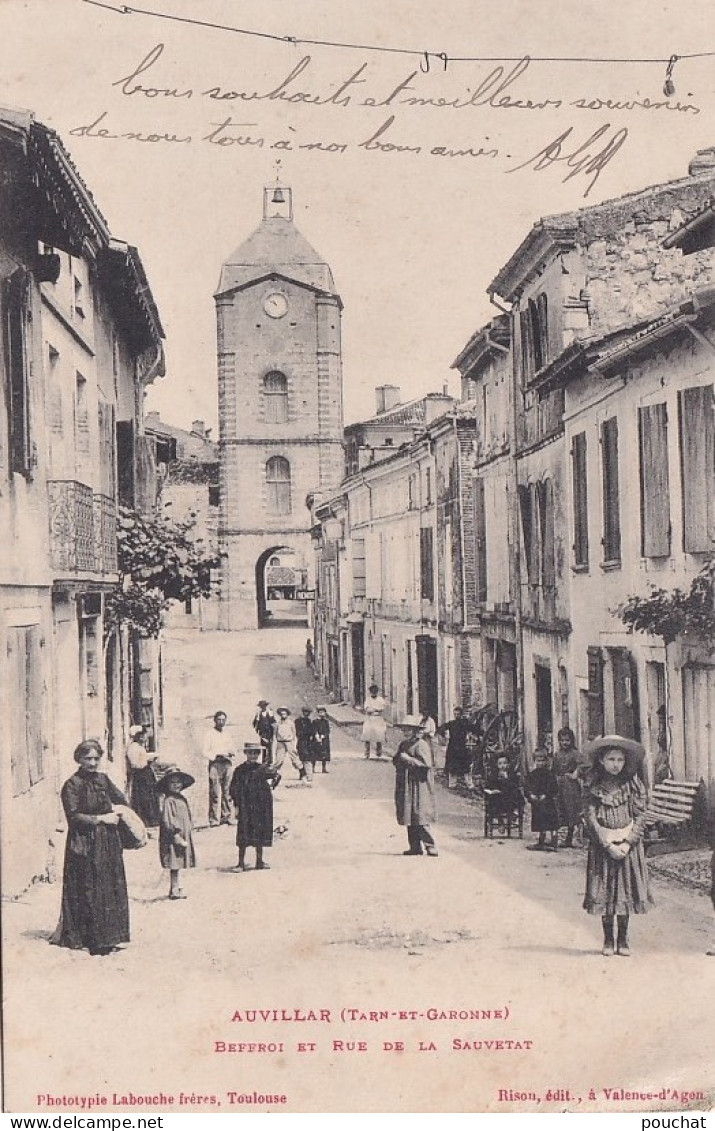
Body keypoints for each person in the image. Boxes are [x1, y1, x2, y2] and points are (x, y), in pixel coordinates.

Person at [51, 739, 130, 956]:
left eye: (96, 758)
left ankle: (111, 937)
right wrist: (102, 819)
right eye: (88, 758)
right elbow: (74, 816)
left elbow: (121, 799)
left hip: (107, 842)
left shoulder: (103, 779)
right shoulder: (72, 784)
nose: (93, 763)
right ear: (79, 759)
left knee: (109, 885)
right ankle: (91, 939)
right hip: (84, 842)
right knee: (89, 887)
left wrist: (121, 811)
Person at [581, 735, 653, 956]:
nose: (616, 764)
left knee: (625, 890)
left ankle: (623, 939)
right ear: (602, 761)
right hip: (604, 846)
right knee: (606, 890)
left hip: (627, 846)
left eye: (620, 760)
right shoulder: (594, 784)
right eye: (611, 759)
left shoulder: (632, 783)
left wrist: (629, 842)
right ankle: (607, 939)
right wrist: (606, 844)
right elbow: (590, 818)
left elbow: (641, 816)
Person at [229, 742, 280, 870]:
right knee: (244, 832)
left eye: (256, 753)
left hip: (260, 805)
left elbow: (277, 775)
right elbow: (233, 788)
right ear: (245, 753)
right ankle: (241, 863)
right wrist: (236, 805)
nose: (253, 755)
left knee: (260, 831)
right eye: (250, 753)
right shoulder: (240, 770)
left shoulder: (262, 768)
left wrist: (272, 784)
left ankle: (259, 861)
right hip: (245, 805)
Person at [393, 715, 438, 857]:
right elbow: (396, 759)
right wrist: (399, 760)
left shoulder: (421, 745)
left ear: (414, 731)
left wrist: (409, 759)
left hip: (419, 784)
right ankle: (414, 846)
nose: (405, 732)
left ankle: (430, 845)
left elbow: (426, 765)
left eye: (408, 729)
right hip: (406, 784)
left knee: (420, 814)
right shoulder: (404, 744)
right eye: (404, 729)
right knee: (408, 814)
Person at [157, 766, 196, 900]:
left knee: (179, 862)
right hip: (173, 836)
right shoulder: (169, 801)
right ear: (167, 785)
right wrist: (175, 834)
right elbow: (168, 820)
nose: (176, 785)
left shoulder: (181, 799)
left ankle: (175, 887)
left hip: (183, 834)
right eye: (172, 783)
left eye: (178, 782)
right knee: (174, 862)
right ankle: (174, 889)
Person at [202, 710, 235, 826]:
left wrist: (231, 753)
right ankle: (214, 819)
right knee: (215, 792)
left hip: (227, 763)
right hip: (215, 765)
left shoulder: (228, 734)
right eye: (219, 719)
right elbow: (204, 751)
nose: (221, 722)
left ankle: (226, 816)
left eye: (223, 720)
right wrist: (216, 755)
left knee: (228, 791)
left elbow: (233, 748)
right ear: (215, 720)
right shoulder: (209, 734)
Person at [125, 725, 161, 831]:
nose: (146, 737)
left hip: (145, 773)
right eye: (145, 735)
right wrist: (146, 761)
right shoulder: (133, 747)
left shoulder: (139, 747)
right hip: (141, 775)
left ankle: (152, 820)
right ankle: (146, 820)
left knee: (150, 795)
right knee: (143, 797)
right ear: (139, 736)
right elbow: (135, 764)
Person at [552, 727, 583, 847]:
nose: (565, 743)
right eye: (562, 740)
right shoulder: (557, 754)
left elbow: (584, 764)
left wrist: (576, 773)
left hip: (570, 786)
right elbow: (553, 769)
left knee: (571, 810)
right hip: (559, 784)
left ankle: (571, 838)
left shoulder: (575, 753)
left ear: (572, 740)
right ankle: (559, 838)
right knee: (560, 809)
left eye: (567, 740)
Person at [525, 749, 560, 851]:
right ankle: (541, 840)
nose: (540, 763)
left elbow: (553, 787)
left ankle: (554, 841)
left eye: (542, 760)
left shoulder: (549, 774)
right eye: (538, 760)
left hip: (547, 802)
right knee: (540, 821)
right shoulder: (532, 774)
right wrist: (531, 795)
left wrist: (546, 795)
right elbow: (527, 786)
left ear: (546, 761)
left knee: (551, 821)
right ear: (534, 761)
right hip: (537, 802)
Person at [437, 707, 477, 789]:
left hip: (461, 747)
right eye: (455, 714)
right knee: (452, 766)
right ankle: (452, 784)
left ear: (461, 714)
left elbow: (474, 729)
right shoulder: (452, 723)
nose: (456, 716)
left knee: (466, 766)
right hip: (453, 747)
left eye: (458, 714)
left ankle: (469, 784)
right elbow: (441, 728)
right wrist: (442, 736)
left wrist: (477, 735)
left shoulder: (465, 723)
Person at [484, 754, 524, 830]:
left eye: (505, 763)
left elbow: (514, 785)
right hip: (498, 799)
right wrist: (493, 790)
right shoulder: (493, 775)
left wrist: (506, 778)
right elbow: (489, 786)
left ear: (508, 764)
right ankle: (500, 822)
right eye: (500, 763)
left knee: (515, 793)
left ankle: (513, 814)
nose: (503, 766)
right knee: (494, 799)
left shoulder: (512, 774)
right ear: (497, 765)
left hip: (509, 798)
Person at [272, 707, 306, 780]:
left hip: (289, 742)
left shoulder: (291, 723)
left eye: (285, 714)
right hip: (280, 743)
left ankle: (302, 773)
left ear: (287, 714)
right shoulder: (278, 724)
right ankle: (273, 775)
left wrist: (293, 742)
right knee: (279, 759)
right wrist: (275, 743)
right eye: (282, 714)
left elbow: (294, 733)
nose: (283, 715)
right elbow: (275, 734)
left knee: (294, 758)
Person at [362, 684, 388, 759]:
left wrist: (374, 709)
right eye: (372, 691)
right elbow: (367, 709)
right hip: (369, 719)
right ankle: (367, 753)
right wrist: (375, 709)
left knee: (379, 736)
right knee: (367, 736)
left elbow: (381, 709)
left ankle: (379, 752)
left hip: (378, 719)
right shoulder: (368, 699)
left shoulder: (380, 699)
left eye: (375, 691)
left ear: (377, 692)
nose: (373, 693)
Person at [252, 700, 276, 765]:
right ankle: (264, 761)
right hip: (262, 733)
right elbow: (254, 724)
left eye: (264, 706)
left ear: (266, 706)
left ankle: (270, 761)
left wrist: (272, 732)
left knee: (270, 747)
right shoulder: (258, 714)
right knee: (264, 748)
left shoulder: (270, 713)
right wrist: (257, 730)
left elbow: (273, 722)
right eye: (262, 706)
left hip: (269, 732)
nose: (263, 707)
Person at [295, 706, 314, 783]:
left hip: (308, 742)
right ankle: (303, 774)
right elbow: (297, 732)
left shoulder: (309, 721)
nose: (307, 714)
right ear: (303, 712)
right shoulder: (298, 721)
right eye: (306, 712)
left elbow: (311, 731)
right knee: (302, 758)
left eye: (308, 713)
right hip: (301, 741)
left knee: (307, 758)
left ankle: (308, 775)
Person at [311, 705, 331, 774]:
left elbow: (328, 731)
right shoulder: (315, 721)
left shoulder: (326, 722)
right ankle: (313, 768)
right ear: (318, 713)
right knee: (314, 754)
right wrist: (316, 736)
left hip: (324, 739)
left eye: (323, 712)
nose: (322, 714)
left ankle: (323, 768)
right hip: (316, 739)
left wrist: (324, 735)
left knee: (324, 754)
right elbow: (313, 730)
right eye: (320, 712)